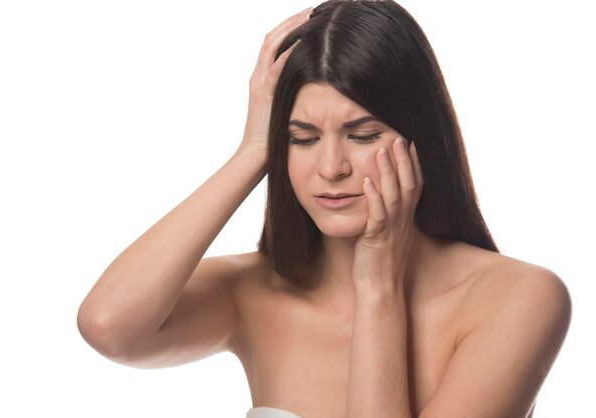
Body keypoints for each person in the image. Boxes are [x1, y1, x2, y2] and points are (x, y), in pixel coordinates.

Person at [77, 1, 572, 417]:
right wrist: (254, 149)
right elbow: (108, 325)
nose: (331, 167)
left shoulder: (518, 299)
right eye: (302, 138)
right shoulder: (256, 291)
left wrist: (378, 282)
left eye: (363, 136)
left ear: (421, 137)